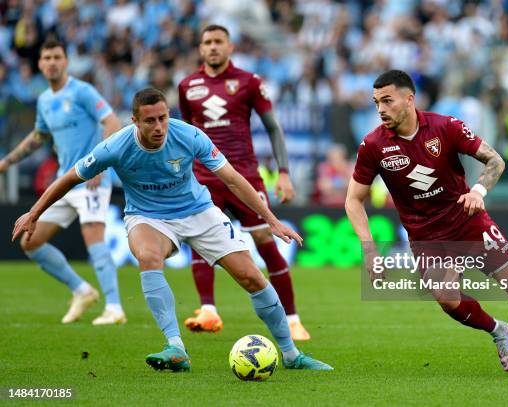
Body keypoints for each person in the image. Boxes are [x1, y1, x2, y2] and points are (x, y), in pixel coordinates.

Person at [12, 88, 333, 372]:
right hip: (148, 216)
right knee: (149, 256)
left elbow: (233, 179)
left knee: (251, 276)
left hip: (199, 211)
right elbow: (69, 178)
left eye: (163, 118)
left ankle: (291, 355)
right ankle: (176, 347)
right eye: (150, 120)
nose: (158, 127)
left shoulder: (189, 136)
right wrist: (34, 213)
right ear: (135, 121)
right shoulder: (115, 146)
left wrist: (272, 220)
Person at [344, 69, 508, 377]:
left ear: (409, 99)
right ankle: (498, 329)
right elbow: (353, 199)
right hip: (427, 236)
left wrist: (478, 191)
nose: (380, 109)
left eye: (387, 101)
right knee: (447, 300)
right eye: (376, 102)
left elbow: (495, 160)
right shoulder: (373, 145)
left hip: (468, 222)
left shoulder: (445, 127)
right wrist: (370, 249)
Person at [178, 24, 310, 340]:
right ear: (200, 48)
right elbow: (185, 134)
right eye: (207, 42)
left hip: (245, 176)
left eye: (218, 42)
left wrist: (284, 173)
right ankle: (208, 310)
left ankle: (292, 318)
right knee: (200, 237)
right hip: (205, 177)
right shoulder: (187, 85)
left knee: (266, 241)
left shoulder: (249, 82)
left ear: (230, 46)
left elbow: (274, 128)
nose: (212, 47)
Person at [0, 39, 125, 325]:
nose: (52, 62)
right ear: (40, 64)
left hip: (91, 178)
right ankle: (82, 290)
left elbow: (112, 123)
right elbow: (38, 137)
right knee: (31, 241)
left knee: (93, 235)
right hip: (64, 183)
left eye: (57, 56)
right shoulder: (44, 101)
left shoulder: (82, 91)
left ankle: (115, 308)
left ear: (66, 61)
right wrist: (6, 162)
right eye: (47, 58)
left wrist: (100, 165)